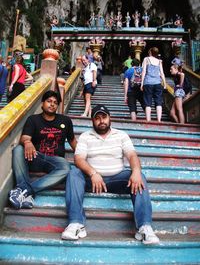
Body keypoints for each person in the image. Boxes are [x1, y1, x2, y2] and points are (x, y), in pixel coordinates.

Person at [62, 104, 160, 245]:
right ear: (92, 121)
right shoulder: (85, 136)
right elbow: (78, 159)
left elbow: (132, 155)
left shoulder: (121, 135)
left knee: (139, 176)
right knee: (74, 173)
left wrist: (137, 171)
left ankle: (144, 227)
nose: (101, 121)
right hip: (92, 180)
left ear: (109, 118)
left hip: (117, 179)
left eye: (104, 117)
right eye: (97, 118)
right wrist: (93, 173)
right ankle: (75, 224)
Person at [8, 90, 77, 210]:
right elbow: (24, 137)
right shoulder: (33, 119)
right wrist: (27, 142)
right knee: (18, 149)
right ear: (42, 103)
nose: (52, 104)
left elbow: (73, 141)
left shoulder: (65, 121)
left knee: (66, 167)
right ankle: (24, 190)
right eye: (49, 101)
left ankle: (24, 191)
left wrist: (84, 156)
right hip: (36, 157)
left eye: (55, 102)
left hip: (55, 161)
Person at [140, 47, 166, 122]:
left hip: (148, 82)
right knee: (158, 101)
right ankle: (159, 120)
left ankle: (148, 120)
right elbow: (162, 73)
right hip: (157, 82)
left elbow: (144, 71)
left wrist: (142, 83)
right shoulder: (159, 61)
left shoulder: (146, 59)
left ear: (150, 52)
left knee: (148, 101)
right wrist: (164, 83)